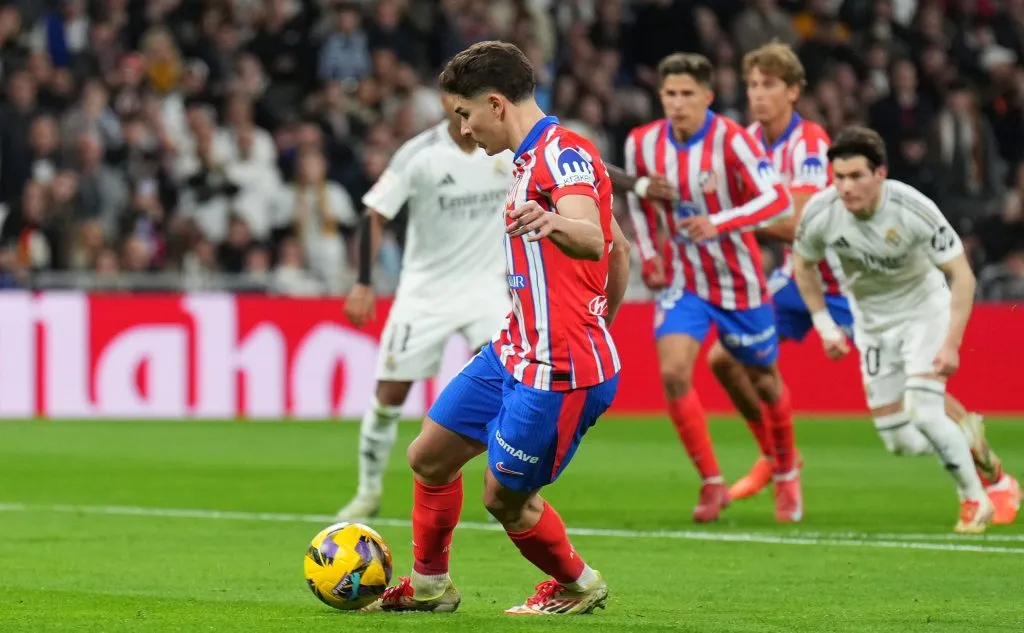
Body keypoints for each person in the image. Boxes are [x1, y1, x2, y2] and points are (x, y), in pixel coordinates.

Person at [366, 41, 630, 615]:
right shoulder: (526, 158)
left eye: (464, 114)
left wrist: (587, 327)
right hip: (513, 349)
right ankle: (432, 586)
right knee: (428, 456)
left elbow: (594, 238)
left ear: (495, 104)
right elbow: (622, 249)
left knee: (505, 499)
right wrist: (598, 318)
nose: (462, 129)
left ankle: (579, 584)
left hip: (558, 366)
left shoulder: (564, 155)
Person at [722, 43, 1004, 508]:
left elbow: (798, 222)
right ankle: (779, 456)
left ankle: (988, 471)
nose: (756, 94)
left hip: (851, 281)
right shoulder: (747, 144)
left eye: (767, 84)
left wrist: (729, 217)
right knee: (726, 355)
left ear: (793, 91)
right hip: (800, 276)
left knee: (922, 401)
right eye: (751, 84)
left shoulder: (810, 143)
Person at [793, 125, 1021, 533]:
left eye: (856, 176)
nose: (846, 187)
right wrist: (824, 324)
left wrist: (951, 344)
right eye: (839, 177)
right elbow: (803, 265)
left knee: (923, 410)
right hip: (873, 326)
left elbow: (962, 276)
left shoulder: (912, 209)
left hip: (924, 313)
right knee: (901, 441)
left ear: (880, 173)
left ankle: (975, 500)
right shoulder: (821, 213)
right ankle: (971, 440)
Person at [624, 53, 797, 523]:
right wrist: (649, 254)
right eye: (670, 94)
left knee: (763, 379)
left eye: (687, 95)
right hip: (684, 281)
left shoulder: (733, 141)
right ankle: (711, 483)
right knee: (675, 372)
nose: (677, 104)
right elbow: (637, 200)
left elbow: (777, 199)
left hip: (739, 282)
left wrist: (718, 222)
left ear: (707, 97)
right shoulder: (641, 143)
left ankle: (785, 472)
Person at [337, 97, 513, 521]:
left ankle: (503, 485)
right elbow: (374, 214)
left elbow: (573, 160)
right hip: (425, 291)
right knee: (390, 393)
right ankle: (368, 491)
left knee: (504, 383)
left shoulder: (506, 149)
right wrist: (363, 282)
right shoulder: (419, 154)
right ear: (451, 104)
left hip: (486, 288)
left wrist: (635, 186)